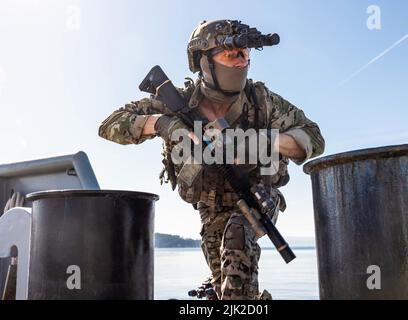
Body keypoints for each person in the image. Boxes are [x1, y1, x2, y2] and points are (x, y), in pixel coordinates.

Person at [98, 19, 325, 300]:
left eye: (245, 56)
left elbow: (314, 139)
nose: (241, 63)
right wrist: (163, 124)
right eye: (232, 54)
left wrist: (260, 142)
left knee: (238, 239)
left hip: (258, 197)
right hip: (210, 210)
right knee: (227, 290)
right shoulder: (177, 101)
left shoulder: (261, 101)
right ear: (204, 61)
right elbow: (110, 125)